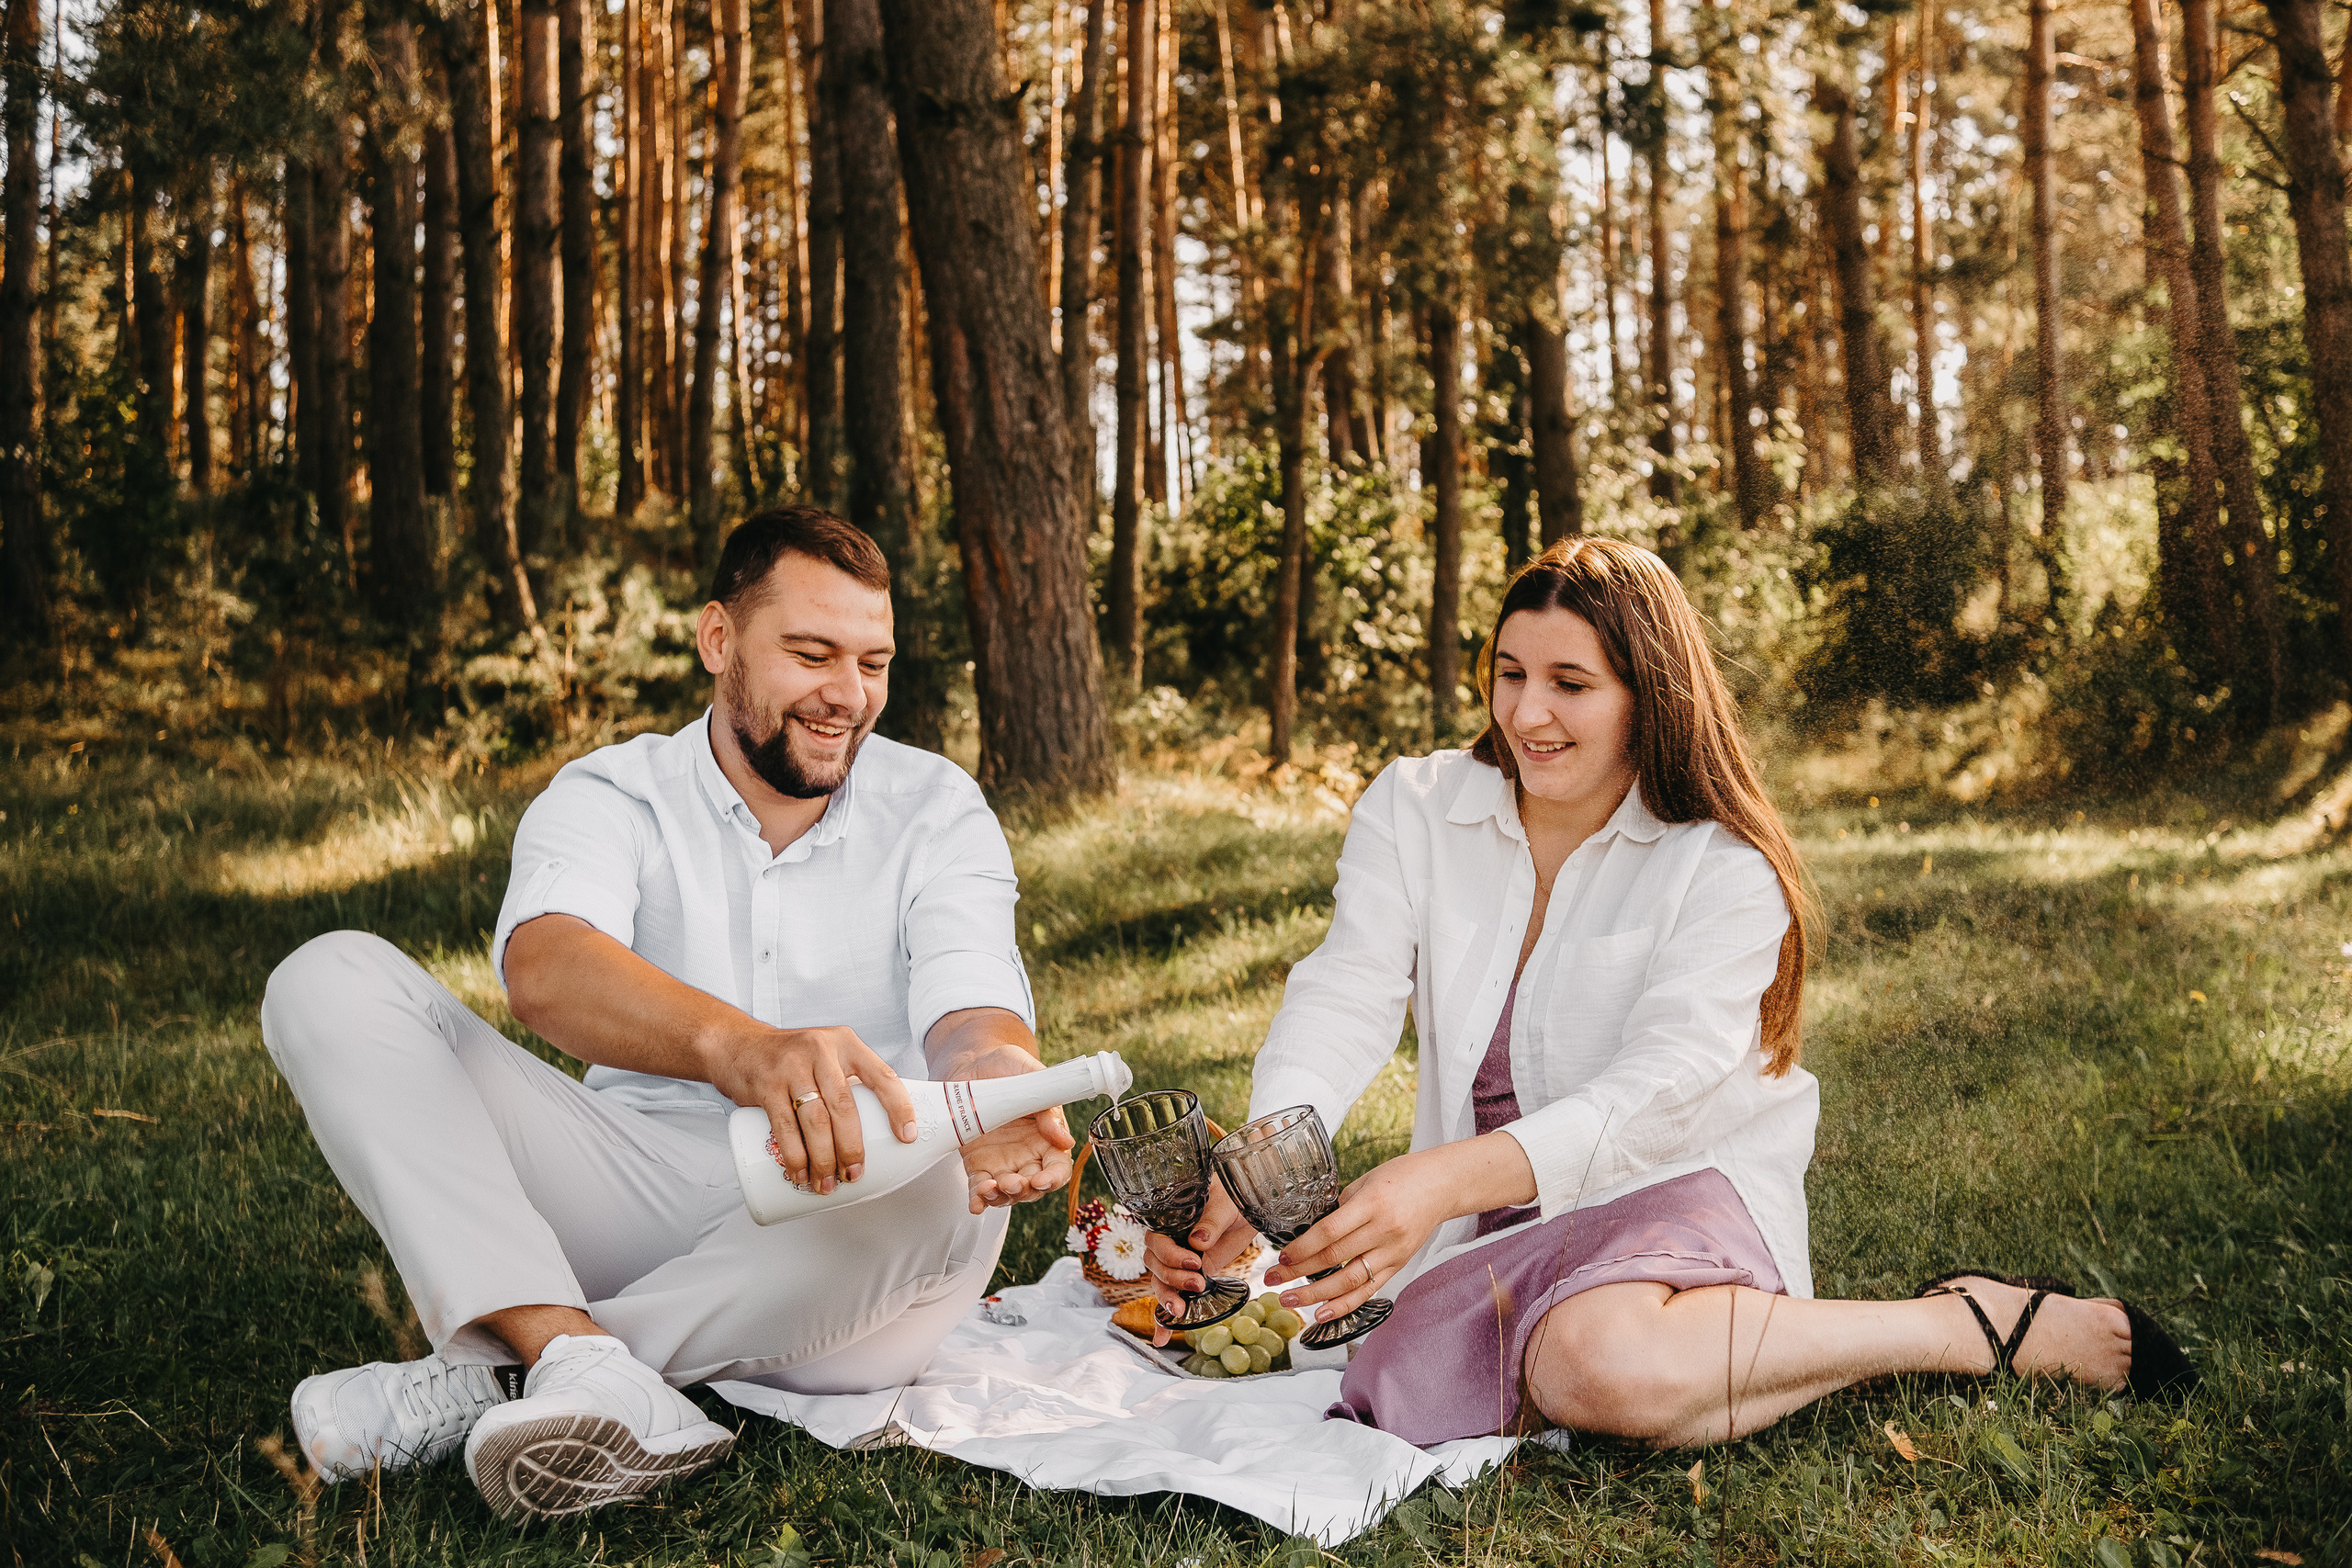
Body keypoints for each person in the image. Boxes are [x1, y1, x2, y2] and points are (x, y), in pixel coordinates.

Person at [1149, 536, 2192, 1447]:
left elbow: (1668, 1088)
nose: (1526, 712)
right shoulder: (1413, 807)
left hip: (1685, 1183)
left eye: (1571, 682)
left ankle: (1957, 1327)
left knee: (1600, 1366)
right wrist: (1267, 1156)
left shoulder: (1722, 865)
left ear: (1648, 692)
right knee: (1498, 1345)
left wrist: (1440, 1181)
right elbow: (1347, 988)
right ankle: (1691, 1357)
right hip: (1494, 1216)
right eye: (1509, 673)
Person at [261, 507, 1073, 1519]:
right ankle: (583, 1364)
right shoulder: (612, 791)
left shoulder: (937, 805)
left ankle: (518, 1367)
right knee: (329, 974)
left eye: (873, 662)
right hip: (632, 1184)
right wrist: (741, 1051)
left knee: (936, 1167)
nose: (847, 697)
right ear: (718, 640)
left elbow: (972, 1003)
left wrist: (993, 1072)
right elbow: (546, 970)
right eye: (812, 654)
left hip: (851, 1237)